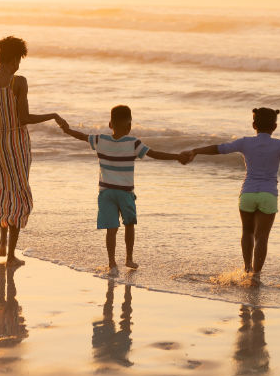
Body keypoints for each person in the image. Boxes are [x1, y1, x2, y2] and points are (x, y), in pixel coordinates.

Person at [182, 108, 280, 283]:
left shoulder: (244, 142)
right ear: (274, 126)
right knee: (262, 237)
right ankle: (255, 277)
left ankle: (246, 269)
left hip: (247, 193)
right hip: (268, 195)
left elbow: (219, 149)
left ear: (253, 125)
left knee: (247, 232)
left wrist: (196, 150)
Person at [0, 36, 62, 266]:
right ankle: (11, 255)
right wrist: (53, 115)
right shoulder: (19, 82)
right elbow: (24, 118)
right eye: (18, 60)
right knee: (18, 192)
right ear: (13, 59)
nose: (19, 65)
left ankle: (3, 241)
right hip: (16, 143)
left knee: (1, 189)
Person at [57, 105, 188, 271]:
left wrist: (66, 129)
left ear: (110, 124)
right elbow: (154, 154)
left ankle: (111, 262)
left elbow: (81, 136)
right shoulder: (133, 143)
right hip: (125, 192)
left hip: (106, 193)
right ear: (130, 126)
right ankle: (129, 258)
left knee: (111, 229)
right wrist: (177, 156)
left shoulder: (100, 140)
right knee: (129, 225)